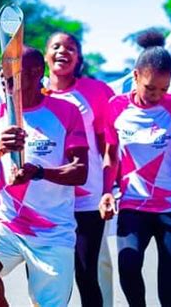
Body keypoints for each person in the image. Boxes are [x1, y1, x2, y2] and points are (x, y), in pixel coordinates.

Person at [99, 46, 171, 307]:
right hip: (133, 205)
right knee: (128, 269)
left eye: (163, 89)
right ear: (136, 76)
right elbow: (111, 155)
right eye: (150, 88)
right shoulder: (116, 107)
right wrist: (106, 191)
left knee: (169, 290)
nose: (157, 95)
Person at [0, 47, 89, 307]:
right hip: (9, 223)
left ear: (36, 72)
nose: (3, 80)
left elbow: (80, 171)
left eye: (11, 74)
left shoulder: (66, 112)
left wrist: (40, 172)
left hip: (53, 231)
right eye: (2, 74)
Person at [43, 32, 114, 306]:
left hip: (87, 198)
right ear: (46, 55)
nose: (63, 51)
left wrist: (107, 190)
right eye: (56, 46)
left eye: (70, 48)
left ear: (79, 57)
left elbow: (107, 147)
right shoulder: (31, 92)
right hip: (47, 200)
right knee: (51, 277)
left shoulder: (96, 92)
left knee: (87, 275)